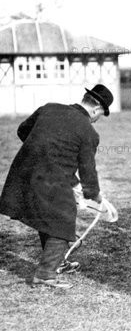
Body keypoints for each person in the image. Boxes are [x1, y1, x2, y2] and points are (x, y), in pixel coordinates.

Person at [0, 84, 115, 289]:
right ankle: (45, 275)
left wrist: (43, 152)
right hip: (49, 180)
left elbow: (22, 131)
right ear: (96, 108)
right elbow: (88, 171)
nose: (98, 119)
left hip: (23, 172)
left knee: (51, 218)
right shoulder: (88, 131)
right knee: (63, 220)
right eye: (101, 115)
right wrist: (95, 195)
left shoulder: (49, 108)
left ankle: (57, 262)